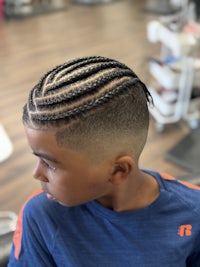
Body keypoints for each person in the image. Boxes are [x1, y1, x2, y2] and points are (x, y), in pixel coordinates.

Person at [8, 56, 200, 266]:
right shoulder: (40, 216)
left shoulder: (193, 213)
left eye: (50, 164)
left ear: (118, 170)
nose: (36, 173)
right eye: (38, 159)